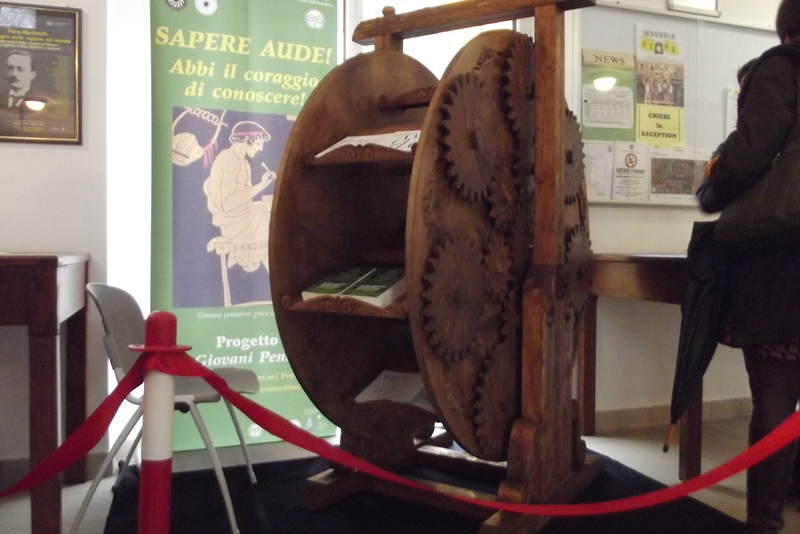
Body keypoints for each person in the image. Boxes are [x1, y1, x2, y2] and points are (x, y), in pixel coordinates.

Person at [696, 1, 800, 532]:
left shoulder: (781, 68)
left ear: (786, 31)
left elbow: (749, 155)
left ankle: (764, 522)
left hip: (783, 267)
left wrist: (711, 183)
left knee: (776, 401)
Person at [203, 121, 276, 273]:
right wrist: (261, 186)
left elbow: (245, 202)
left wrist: (260, 193)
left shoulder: (245, 163)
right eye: (258, 143)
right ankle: (270, 269)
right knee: (264, 216)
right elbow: (227, 204)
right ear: (246, 140)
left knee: (272, 214)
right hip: (230, 220)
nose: (260, 148)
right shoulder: (227, 158)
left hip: (242, 216)